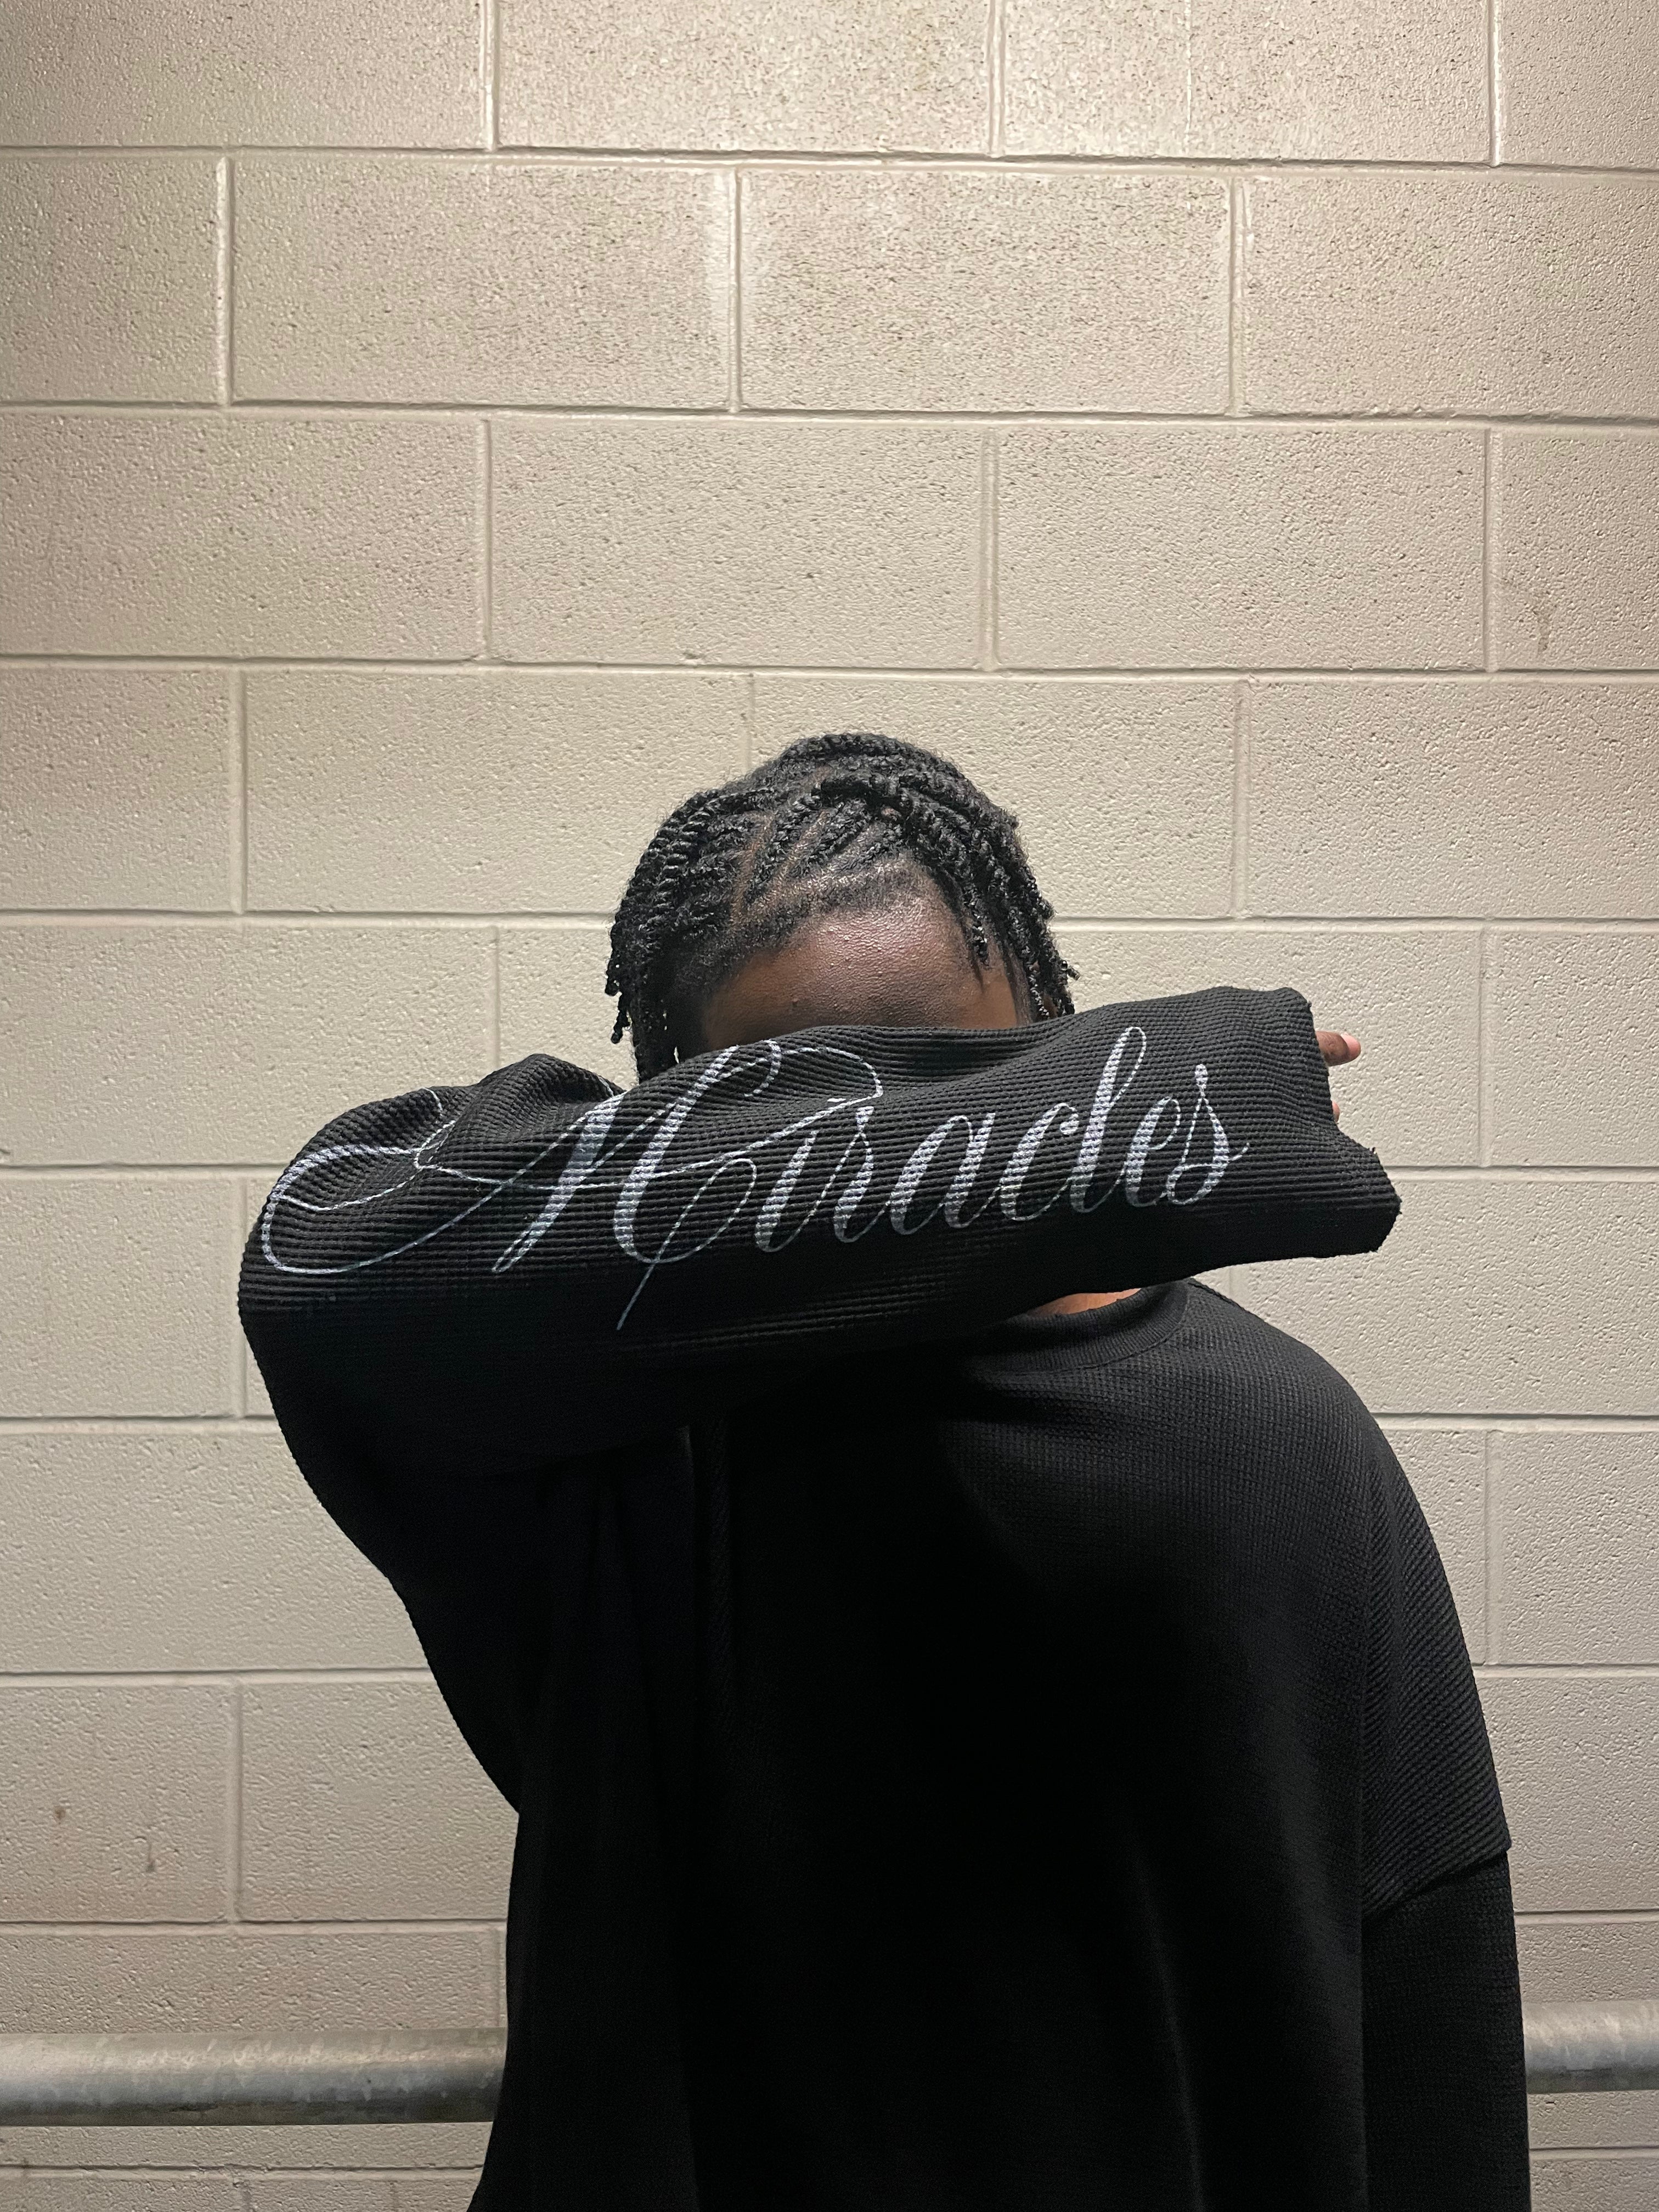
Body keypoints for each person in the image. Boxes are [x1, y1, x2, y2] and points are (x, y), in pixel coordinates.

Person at [241, 732, 1529, 2210]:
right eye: (797, 1111)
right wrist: (1168, 1104)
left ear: (1049, 1041)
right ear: (681, 1122)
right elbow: (324, 1268)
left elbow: (1427, 1995)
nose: (878, 1140)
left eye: (940, 1081)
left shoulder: (1276, 1436)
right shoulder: (608, 1456)